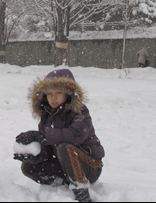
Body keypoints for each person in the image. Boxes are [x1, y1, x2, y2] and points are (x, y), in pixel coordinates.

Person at [13, 69, 104, 202]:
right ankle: (63, 183)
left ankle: (81, 191)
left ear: (68, 94)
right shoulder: (46, 116)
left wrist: (42, 135)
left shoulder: (80, 112)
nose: (53, 97)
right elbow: (48, 149)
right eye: (49, 93)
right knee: (28, 168)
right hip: (65, 166)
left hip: (90, 166)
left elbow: (75, 135)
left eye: (58, 92)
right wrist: (33, 156)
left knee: (64, 147)